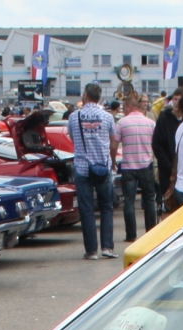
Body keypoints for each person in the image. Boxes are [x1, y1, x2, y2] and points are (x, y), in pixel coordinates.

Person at [67, 82, 118, 260]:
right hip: (103, 167)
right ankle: (107, 247)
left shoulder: (75, 116)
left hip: (82, 167)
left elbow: (73, 138)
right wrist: (111, 161)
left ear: (86, 95)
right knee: (106, 207)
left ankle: (91, 251)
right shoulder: (107, 117)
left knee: (87, 209)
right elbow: (113, 142)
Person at [116, 93, 158, 241]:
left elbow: (114, 144)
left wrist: (113, 159)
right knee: (149, 199)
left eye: (124, 107)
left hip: (128, 166)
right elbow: (156, 144)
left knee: (129, 201)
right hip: (146, 165)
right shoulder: (150, 123)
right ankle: (151, 233)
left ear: (129, 106)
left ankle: (131, 235)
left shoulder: (121, 123)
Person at [152, 86, 183, 205]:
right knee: (169, 203)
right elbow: (157, 144)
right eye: (175, 99)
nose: (176, 102)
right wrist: (168, 165)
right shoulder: (164, 118)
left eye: (179, 99)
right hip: (168, 171)